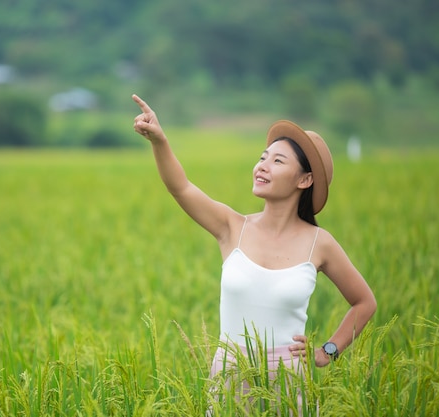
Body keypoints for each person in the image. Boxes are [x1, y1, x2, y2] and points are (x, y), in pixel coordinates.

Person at [131, 94, 377, 411]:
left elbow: (364, 302)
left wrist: (328, 351)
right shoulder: (232, 227)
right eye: (263, 157)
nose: (262, 166)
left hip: (289, 384)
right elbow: (182, 187)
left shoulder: (320, 243)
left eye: (277, 161)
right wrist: (160, 141)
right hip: (230, 378)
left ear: (305, 179)